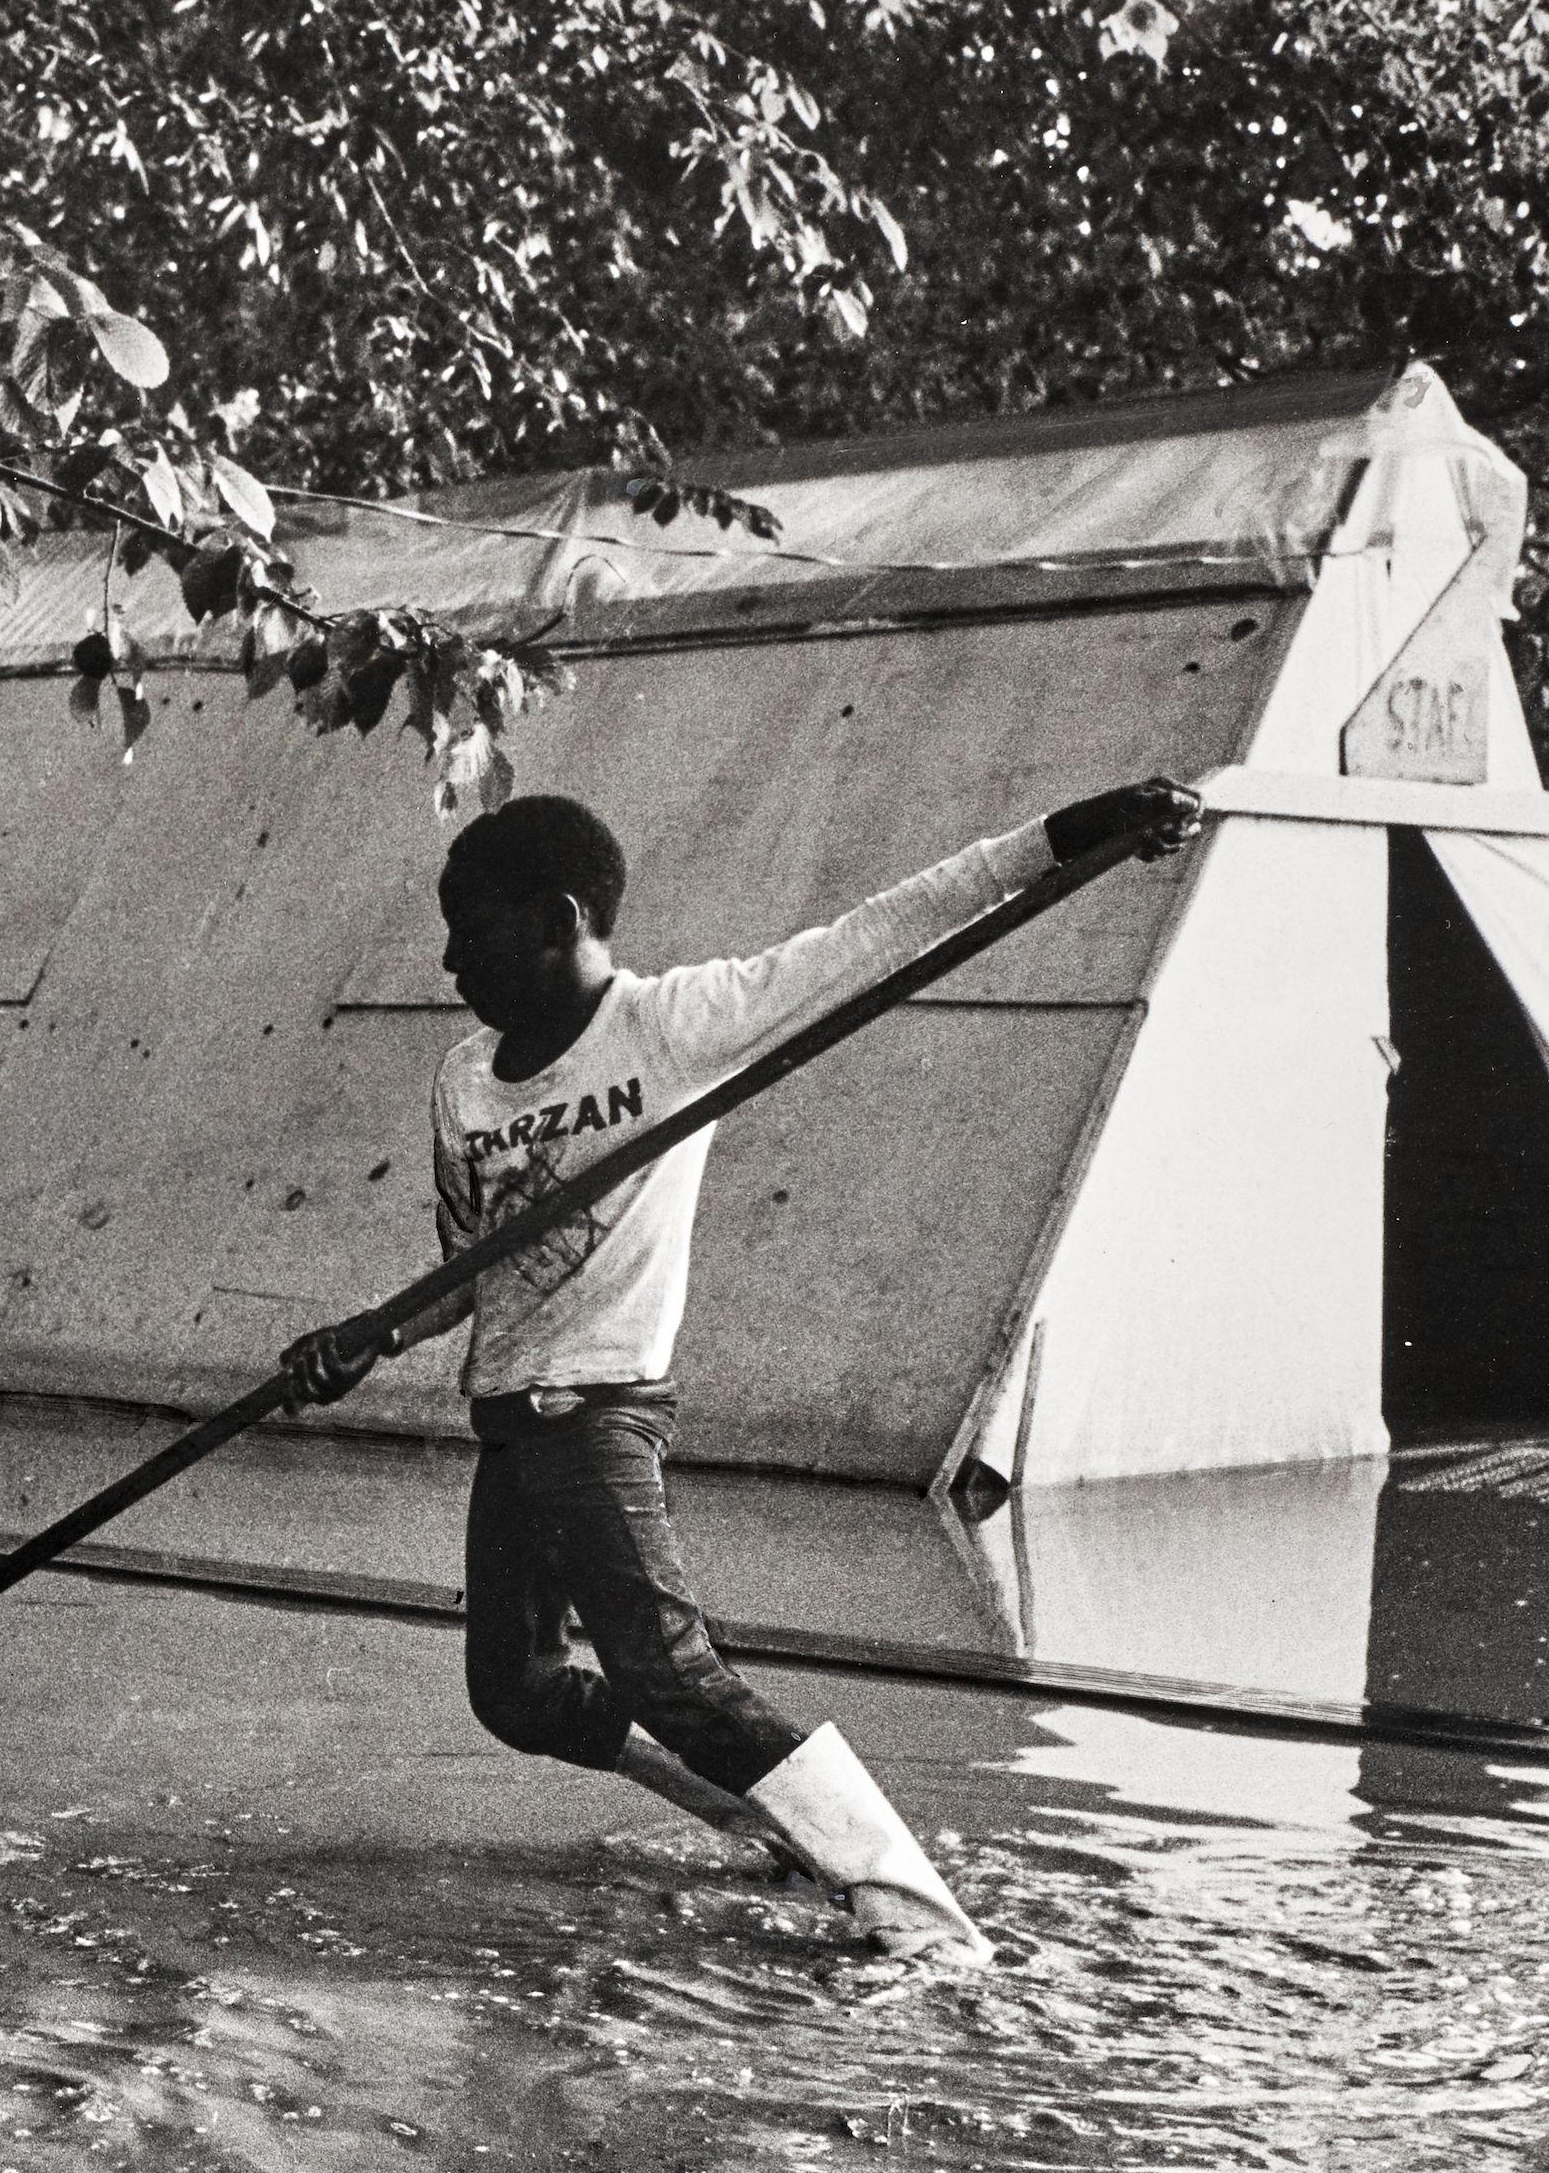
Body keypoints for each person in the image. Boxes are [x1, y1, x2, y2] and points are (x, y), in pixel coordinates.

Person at [281, 778, 1207, 1960]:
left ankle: (924, 1924)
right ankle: (767, 1825)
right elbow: (475, 1271)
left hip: (599, 1410)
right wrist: (374, 1335)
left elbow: (882, 932)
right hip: (511, 1417)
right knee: (515, 1694)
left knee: (669, 1677)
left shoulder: (674, 1027)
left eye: (474, 925)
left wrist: (1072, 834)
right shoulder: (465, 1080)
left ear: (561, 919)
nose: (450, 956)